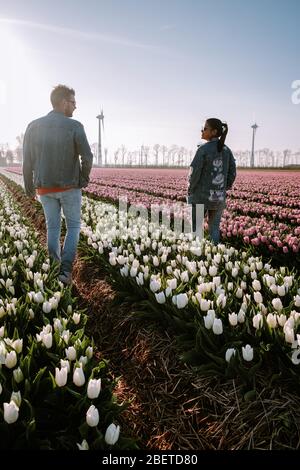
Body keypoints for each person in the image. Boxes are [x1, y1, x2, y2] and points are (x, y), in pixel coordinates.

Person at [23, 84, 93, 285]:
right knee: (73, 227)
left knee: (53, 227)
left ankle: (54, 268)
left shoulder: (33, 126)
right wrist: (83, 180)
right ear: (63, 103)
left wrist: (29, 187)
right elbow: (87, 156)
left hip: (44, 188)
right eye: (73, 102)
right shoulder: (75, 126)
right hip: (69, 187)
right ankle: (65, 271)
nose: (75, 107)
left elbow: (27, 160)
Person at [187, 118, 236, 244]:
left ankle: (198, 257)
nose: (202, 131)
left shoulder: (203, 149)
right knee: (214, 229)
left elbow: (194, 173)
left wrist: (191, 189)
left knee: (197, 229)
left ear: (214, 132)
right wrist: (224, 187)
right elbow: (232, 173)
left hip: (200, 196)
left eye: (205, 128)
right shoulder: (227, 150)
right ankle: (214, 254)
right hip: (218, 196)